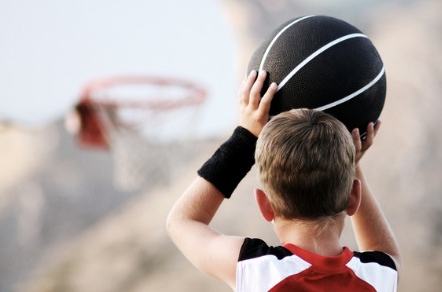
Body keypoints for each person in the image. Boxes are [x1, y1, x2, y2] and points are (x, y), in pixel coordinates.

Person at [166, 70, 401, 291]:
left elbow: (181, 221)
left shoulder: (256, 269)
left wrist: (245, 136)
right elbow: (386, 253)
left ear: (265, 205)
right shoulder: (376, 276)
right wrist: (351, 166)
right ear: (354, 197)